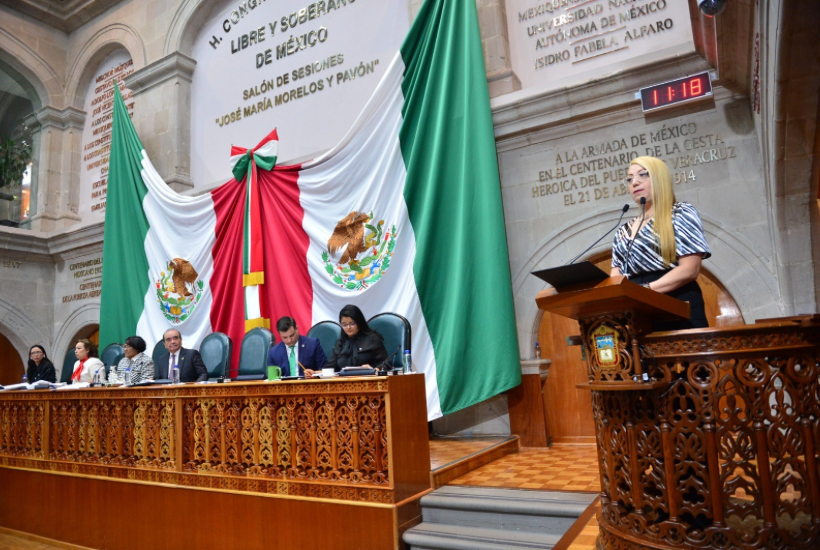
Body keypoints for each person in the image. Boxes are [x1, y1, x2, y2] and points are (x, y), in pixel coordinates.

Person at [611, 156, 711, 330]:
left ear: (660, 178)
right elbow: (616, 278)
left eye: (643, 175)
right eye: (629, 178)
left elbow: (690, 269)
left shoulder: (681, 213)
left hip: (678, 305)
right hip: (638, 313)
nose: (634, 182)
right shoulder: (623, 230)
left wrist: (644, 292)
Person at [325, 305, 390, 371]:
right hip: (344, 380)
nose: (348, 327)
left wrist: (373, 369)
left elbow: (386, 364)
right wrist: (314, 372)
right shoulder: (340, 343)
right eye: (344, 324)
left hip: (368, 379)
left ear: (359, 322)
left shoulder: (371, 338)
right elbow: (329, 369)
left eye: (352, 323)